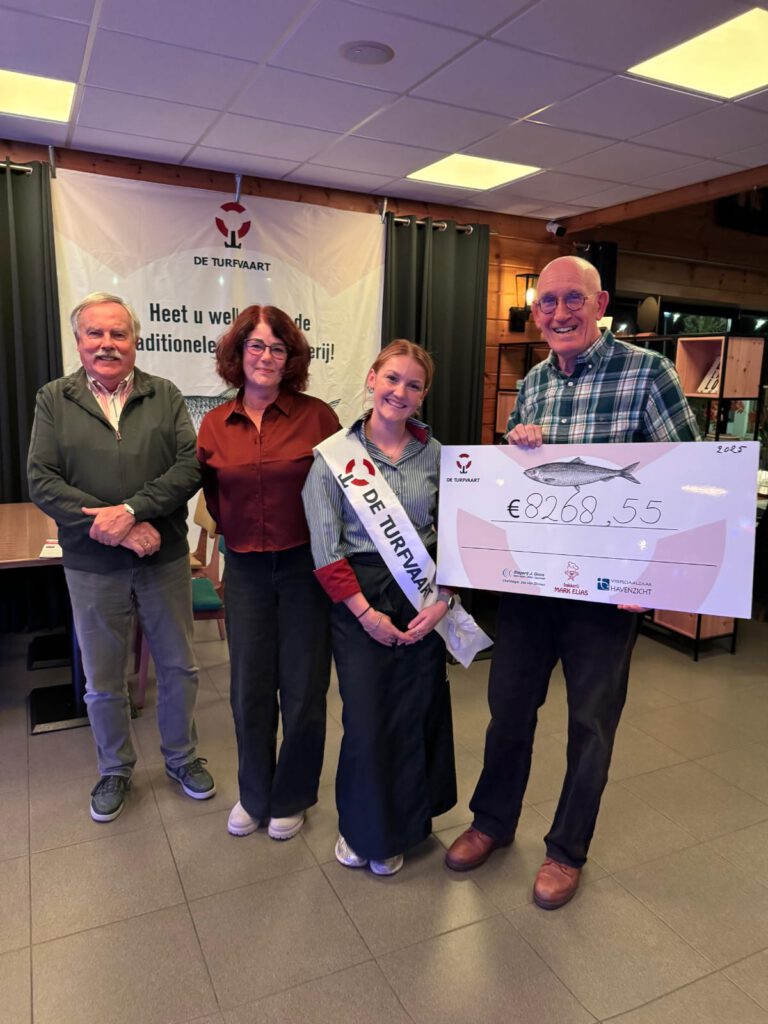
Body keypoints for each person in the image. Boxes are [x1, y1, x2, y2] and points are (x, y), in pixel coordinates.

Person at [445, 256, 700, 908]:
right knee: (508, 710)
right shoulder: (533, 382)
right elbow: (518, 482)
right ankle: (492, 822)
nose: (558, 313)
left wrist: (658, 577)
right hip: (532, 584)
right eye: (548, 302)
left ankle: (566, 850)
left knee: (590, 724)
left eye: (572, 300)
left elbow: (691, 477)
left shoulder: (650, 374)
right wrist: (518, 444)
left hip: (607, 594)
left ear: (600, 303)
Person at [27, 292, 214, 823]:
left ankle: (181, 758)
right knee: (103, 678)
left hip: (164, 558)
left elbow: (188, 468)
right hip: (92, 564)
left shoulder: (164, 394)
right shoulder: (53, 398)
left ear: (135, 341)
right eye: (96, 333)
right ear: (79, 341)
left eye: (118, 333)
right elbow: (42, 481)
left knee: (178, 667)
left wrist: (133, 510)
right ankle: (114, 769)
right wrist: (117, 529)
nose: (107, 344)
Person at [302, 340, 457, 876]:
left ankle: (406, 828)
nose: (400, 392)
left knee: (416, 709)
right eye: (392, 378)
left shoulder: (438, 456)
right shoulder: (332, 458)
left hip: (422, 593)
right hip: (359, 596)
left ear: (423, 395)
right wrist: (365, 614)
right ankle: (364, 830)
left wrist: (444, 601)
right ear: (372, 379)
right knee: (368, 717)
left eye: (414, 385)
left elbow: (456, 535)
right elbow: (326, 550)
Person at [197, 305, 339, 841]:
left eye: (277, 348)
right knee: (249, 689)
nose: (266, 356)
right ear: (238, 354)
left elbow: (343, 491)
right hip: (247, 572)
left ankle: (292, 795)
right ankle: (254, 793)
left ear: (290, 358)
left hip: (306, 568)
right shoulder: (214, 423)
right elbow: (214, 497)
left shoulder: (318, 417)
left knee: (303, 688)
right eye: (255, 346)